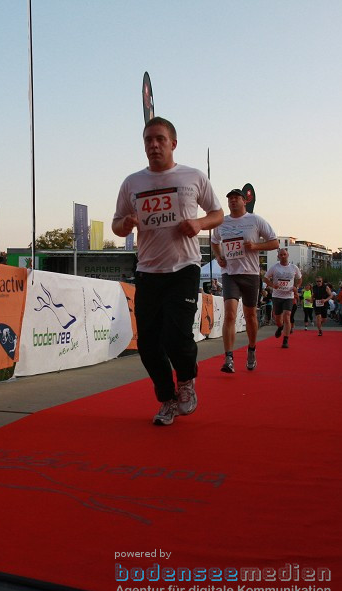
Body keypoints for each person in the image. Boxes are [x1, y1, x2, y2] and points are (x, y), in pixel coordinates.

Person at [112, 116, 223, 426]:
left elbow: (217, 213)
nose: (154, 145)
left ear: (173, 143)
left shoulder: (193, 177)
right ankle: (167, 400)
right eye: (148, 140)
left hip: (183, 268)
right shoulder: (132, 183)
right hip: (148, 271)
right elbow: (117, 224)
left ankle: (186, 381)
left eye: (160, 139)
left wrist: (199, 224)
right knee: (147, 345)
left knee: (175, 336)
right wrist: (127, 224)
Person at [211, 189, 279, 373]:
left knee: (250, 316)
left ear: (244, 201)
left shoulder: (255, 220)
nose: (232, 201)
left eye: (236, 198)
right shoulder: (222, 222)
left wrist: (256, 246)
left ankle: (251, 349)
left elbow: (274, 242)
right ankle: (229, 358)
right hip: (230, 274)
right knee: (230, 315)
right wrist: (219, 256)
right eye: (230, 199)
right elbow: (214, 241)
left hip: (250, 274)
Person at [263, 248, 301, 348]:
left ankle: (285, 340)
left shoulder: (294, 267)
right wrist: (272, 285)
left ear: (288, 255)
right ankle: (280, 327)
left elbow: (300, 278)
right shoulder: (274, 267)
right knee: (278, 318)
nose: (283, 256)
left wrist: (296, 287)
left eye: (284, 254)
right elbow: (265, 278)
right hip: (277, 296)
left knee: (287, 315)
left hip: (289, 296)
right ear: (278, 256)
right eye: (281, 255)